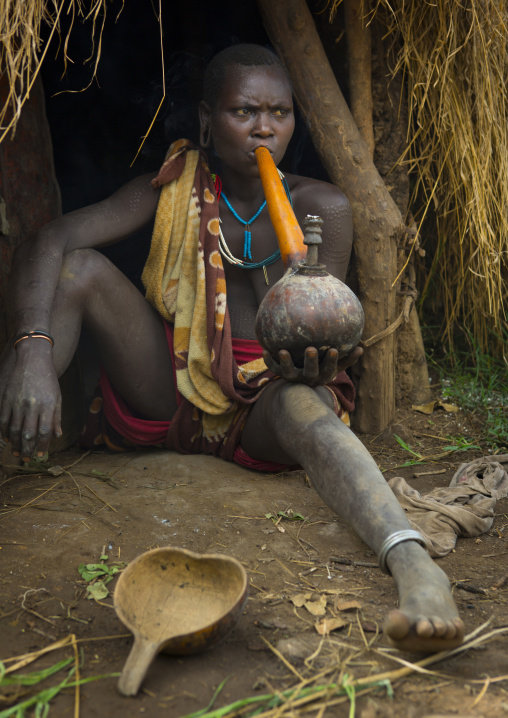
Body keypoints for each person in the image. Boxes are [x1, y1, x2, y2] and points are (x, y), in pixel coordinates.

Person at [0, 44, 464, 652]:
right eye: (244, 111)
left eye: (280, 112)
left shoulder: (324, 207)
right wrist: (32, 350)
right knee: (78, 269)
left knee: (308, 410)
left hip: (267, 397)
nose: (265, 127)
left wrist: (319, 361)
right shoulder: (167, 186)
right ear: (205, 121)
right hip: (172, 380)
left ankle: (416, 568)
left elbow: (325, 327)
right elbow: (52, 236)